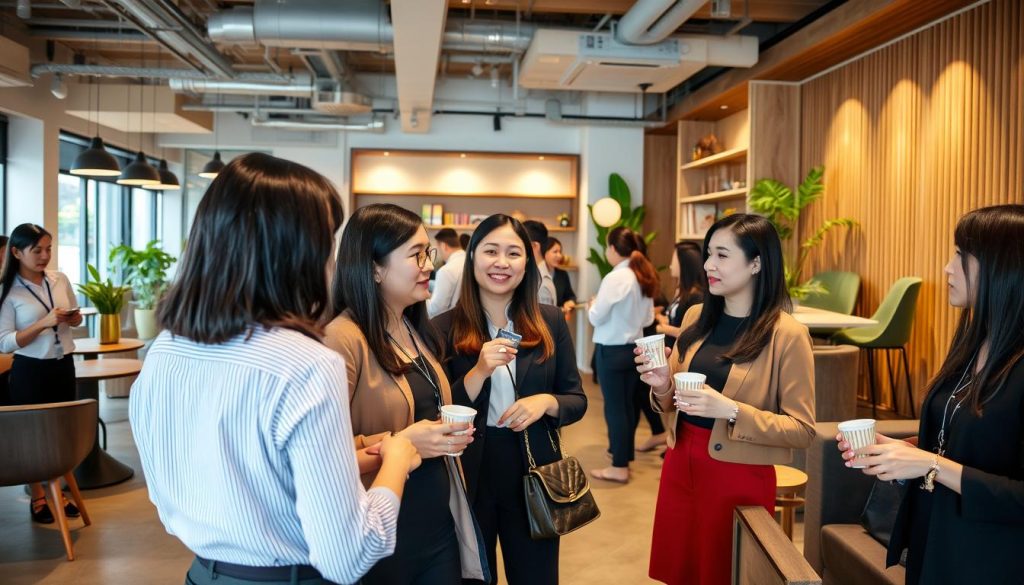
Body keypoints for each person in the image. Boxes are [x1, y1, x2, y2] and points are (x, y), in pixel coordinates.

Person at [130, 153, 420, 585]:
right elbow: (348, 555)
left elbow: (230, 480)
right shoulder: (305, 364)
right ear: (295, 251)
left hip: (204, 573)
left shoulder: (165, 351)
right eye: (327, 239)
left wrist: (346, 459)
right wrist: (396, 460)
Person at [837, 205, 1024, 584]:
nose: (947, 269)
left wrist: (929, 465)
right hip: (935, 544)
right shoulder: (975, 343)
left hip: (987, 562)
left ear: (1003, 268)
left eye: (961, 256)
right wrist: (901, 451)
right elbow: (963, 439)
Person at [635, 213, 815, 585]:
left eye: (721, 255)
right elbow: (670, 401)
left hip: (738, 475)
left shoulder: (787, 335)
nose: (708, 266)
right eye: (707, 254)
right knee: (680, 570)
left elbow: (802, 430)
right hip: (681, 459)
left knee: (725, 570)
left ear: (756, 263)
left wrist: (730, 410)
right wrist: (660, 384)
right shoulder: (696, 317)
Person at [325, 203, 488, 585]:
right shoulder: (341, 340)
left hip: (437, 523)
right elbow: (322, 457)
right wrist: (403, 443)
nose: (428, 264)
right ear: (375, 268)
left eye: (428, 252)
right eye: (416, 254)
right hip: (382, 531)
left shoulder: (416, 328)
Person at [432, 214, 586, 585]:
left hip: (533, 468)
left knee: (536, 575)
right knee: (473, 574)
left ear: (527, 263)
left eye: (513, 253)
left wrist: (546, 402)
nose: (502, 263)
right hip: (470, 470)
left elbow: (576, 399)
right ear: (472, 259)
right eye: (491, 251)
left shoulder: (549, 322)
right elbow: (438, 410)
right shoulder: (444, 326)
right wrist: (479, 371)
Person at [0, 223, 83, 524]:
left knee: (61, 432)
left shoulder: (59, 279)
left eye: (48, 249)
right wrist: (43, 323)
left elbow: (73, 318)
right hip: (30, 370)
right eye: (38, 250)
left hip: (63, 364)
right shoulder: (9, 292)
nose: (45, 256)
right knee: (33, 437)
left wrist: (71, 319)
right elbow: (6, 342)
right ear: (17, 252)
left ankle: (59, 492)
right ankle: (38, 498)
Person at [588, 226, 658, 483]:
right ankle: (622, 455)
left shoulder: (616, 277)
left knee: (616, 409)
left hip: (612, 350)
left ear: (615, 250)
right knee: (627, 406)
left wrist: (594, 302)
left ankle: (619, 466)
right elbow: (649, 317)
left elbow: (595, 316)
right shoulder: (641, 274)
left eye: (607, 246)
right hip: (635, 350)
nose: (607, 251)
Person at [655, 241, 706, 348]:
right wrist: (657, 316)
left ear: (685, 264)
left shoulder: (697, 297)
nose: (670, 266)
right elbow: (673, 320)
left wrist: (661, 328)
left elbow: (691, 332)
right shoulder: (681, 292)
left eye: (674, 261)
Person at [427, 228, 467, 317]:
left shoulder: (446, 270)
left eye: (439, 249)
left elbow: (436, 309)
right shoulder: (470, 262)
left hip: (451, 323)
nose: (440, 254)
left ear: (443, 246)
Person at [523, 220, 557, 306]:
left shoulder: (540, 284)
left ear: (535, 246)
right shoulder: (535, 277)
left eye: (523, 244)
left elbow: (542, 319)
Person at [542, 237, 577, 314]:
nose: (559, 255)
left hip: (558, 320)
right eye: (555, 252)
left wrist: (570, 302)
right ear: (544, 253)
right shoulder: (537, 275)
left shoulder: (562, 274)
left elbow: (571, 296)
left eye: (560, 252)